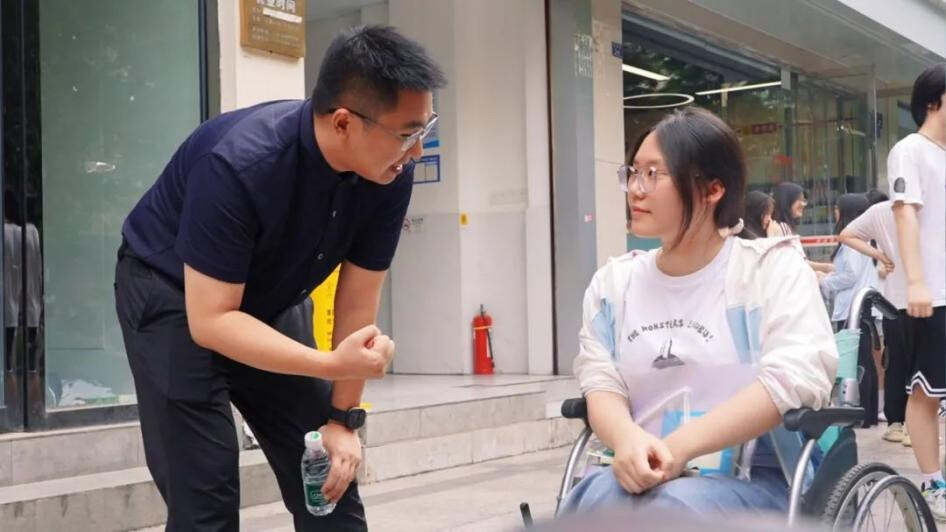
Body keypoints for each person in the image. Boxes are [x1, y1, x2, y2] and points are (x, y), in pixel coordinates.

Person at [114, 25, 445, 530]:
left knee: (329, 481)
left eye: (424, 129)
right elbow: (211, 321)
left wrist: (343, 420)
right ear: (343, 123)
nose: (417, 150)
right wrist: (326, 362)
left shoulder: (388, 174)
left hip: (269, 296)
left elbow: (357, 309)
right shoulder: (238, 163)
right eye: (407, 133)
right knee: (207, 496)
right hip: (175, 300)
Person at [563, 108, 837, 518]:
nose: (636, 189)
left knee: (667, 512)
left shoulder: (767, 271)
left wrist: (678, 448)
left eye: (653, 174)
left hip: (755, 479)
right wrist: (628, 441)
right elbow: (600, 380)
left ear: (712, 190)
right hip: (640, 475)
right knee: (590, 504)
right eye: (633, 173)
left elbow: (794, 377)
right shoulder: (614, 286)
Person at [887, 63, 946, 520]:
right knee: (926, 391)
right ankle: (931, 485)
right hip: (931, 295)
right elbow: (906, 216)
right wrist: (916, 282)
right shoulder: (910, 150)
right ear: (934, 100)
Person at [838, 199, 909, 443]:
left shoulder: (881, 211)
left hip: (893, 301)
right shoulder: (929, 206)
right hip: (922, 299)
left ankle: (897, 422)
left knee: (896, 362)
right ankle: (908, 424)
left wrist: (880, 255)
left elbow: (846, 235)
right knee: (917, 365)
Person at [819, 193, 877, 427]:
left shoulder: (852, 241)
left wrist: (824, 281)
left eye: (837, 208)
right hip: (861, 306)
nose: (835, 212)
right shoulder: (865, 239)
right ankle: (868, 414)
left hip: (851, 309)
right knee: (864, 361)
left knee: (855, 362)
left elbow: (850, 275)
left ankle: (860, 414)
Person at [768, 182, 833, 274]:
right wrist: (826, 268)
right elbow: (792, 264)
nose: (804, 204)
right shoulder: (781, 228)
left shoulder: (785, 227)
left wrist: (826, 268)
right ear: (787, 201)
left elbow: (799, 262)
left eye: (804, 200)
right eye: (799, 200)